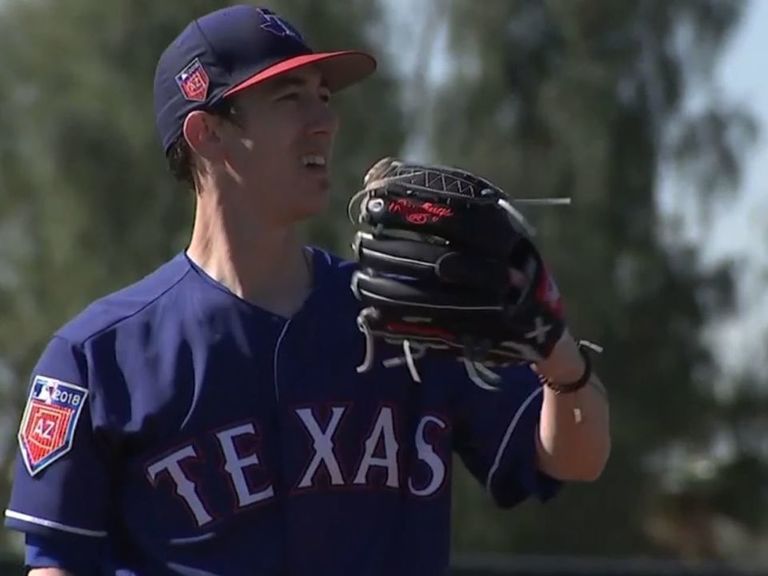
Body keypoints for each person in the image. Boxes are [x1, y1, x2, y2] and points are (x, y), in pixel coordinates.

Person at [3, 5, 610, 576]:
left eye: (323, 97)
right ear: (206, 133)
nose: (325, 121)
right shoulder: (98, 357)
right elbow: (55, 561)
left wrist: (554, 348)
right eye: (290, 99)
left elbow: (576, 459)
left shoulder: (405, 315)